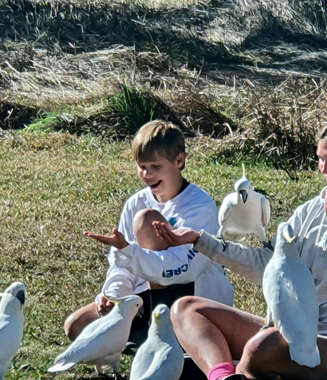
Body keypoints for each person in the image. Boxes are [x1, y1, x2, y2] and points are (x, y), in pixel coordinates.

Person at [154, 115, 327, 380]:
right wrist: (201, 241)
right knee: (186, 309)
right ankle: (226, 378)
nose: (324, 170)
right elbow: (271, 267)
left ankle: (228, 369)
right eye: (320, 160)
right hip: (290, 331)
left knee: (261, 347)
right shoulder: (311, 210)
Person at [69, 120, 234, 354]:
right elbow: (121, 262)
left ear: (179, 161)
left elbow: (184, 268)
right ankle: (138, 334)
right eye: (142, 166)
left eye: (155, 167)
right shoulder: (134, 202)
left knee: (147, 221)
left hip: (190, 299)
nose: (147, 175)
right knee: (76, 326)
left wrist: (130, 251)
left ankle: (166, 335)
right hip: (141, 299)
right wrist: (114, 295)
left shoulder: (200, 205)